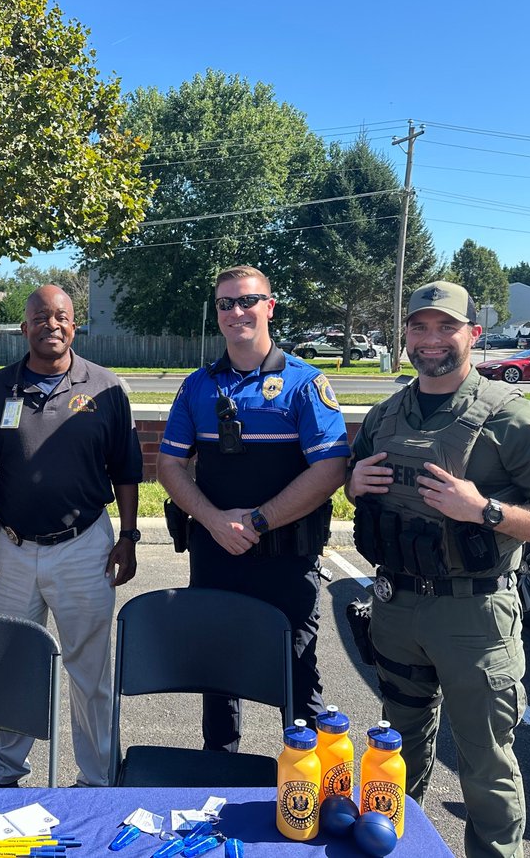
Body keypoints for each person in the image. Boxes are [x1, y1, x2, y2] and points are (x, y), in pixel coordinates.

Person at [346, 280, 530, 858]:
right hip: (396, 607)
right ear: (405, 334)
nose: (431, 339)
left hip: (474, 616)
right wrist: (352, 485)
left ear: (474, 334)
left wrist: (485, 510)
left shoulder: (515, 418)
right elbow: (361, 487)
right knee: (393, 754)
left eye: (446, 327)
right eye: (419, 327)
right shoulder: (385, 414)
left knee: (485, 765)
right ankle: (397, 847)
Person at [156, 265, 349, 745]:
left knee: (297, 678)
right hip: (215, 553)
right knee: (219, 675)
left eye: (247, 301)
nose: (236, 312)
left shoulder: (305, 383)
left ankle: (304, 781)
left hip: (287, 558)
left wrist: (258, 522)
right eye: (226, 304)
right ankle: (219, 775)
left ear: (270, 307)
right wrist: (214, 521)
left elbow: (330, 469)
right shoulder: (197, 386)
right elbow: (169, 466)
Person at [0, 285, 142, 787]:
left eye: (61, 316)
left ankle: (98, 779)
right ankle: (3, 772)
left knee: (90, 671)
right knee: (10, 664)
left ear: (74, 325)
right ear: (24, 328)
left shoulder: (106, 388)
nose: (52, 325)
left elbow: (127, 471)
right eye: (41, 317)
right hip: (11, 548)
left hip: (84, 547)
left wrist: (128, 536)